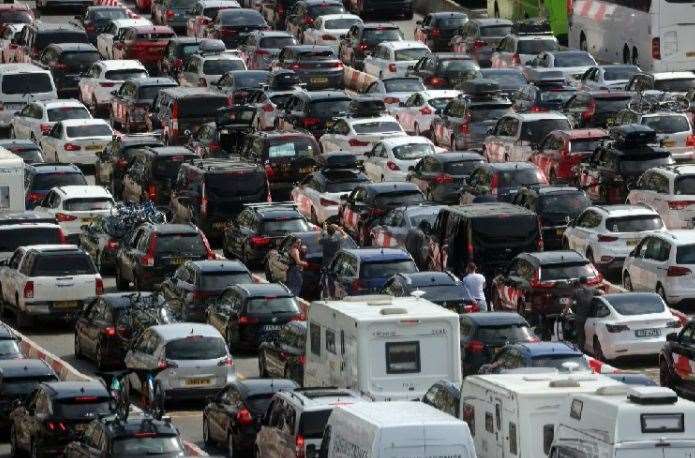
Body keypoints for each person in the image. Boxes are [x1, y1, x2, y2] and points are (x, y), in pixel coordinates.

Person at [572, 275, 603, 351]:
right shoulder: (592, 290)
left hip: (580, 318)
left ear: (579, 283)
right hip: (591, 317)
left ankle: (581, 351)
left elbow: (569, 303)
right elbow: (602, 292)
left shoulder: (576, 291)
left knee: (581, 335)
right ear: (587, 282)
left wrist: (564, 312)